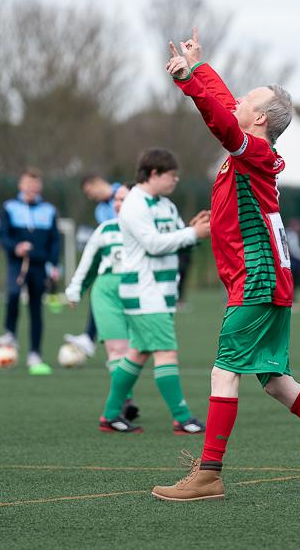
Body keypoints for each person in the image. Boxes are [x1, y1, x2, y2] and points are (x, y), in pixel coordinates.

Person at [151, 29, 300, 501]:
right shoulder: (252, 149)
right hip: (270, 278)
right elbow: (224, 107)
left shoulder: (251, 150)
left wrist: (189, 82)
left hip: (257, 278)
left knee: (223, 370)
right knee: (276, 380)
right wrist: (200, 69)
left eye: (247, 99)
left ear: (258, 118)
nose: (236, 99)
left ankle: (209, 474)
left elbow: (221, 119)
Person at [98, 149, 209, 434]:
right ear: (154, 174)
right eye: (171, 175)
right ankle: (183, 418)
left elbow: (173, 241)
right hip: (144, 292)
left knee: (138, 353)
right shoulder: (134, 203)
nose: (176, 180)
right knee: (166, 352)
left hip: (161, 292)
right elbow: (153, 244)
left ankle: (111, 415)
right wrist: (190, 234)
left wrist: (193, 233)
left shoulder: (166, 205)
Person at [65, 185, 139, 419]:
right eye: (116, 200)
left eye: (123, 199)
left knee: (136, 352)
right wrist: (75, 289)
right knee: (118, 350)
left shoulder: (147, 231)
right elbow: (88, 263)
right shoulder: (105, 230)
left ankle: (123, 399)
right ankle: (124, 401)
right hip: (107, 294)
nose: (117, 204)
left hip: (140, 294)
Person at [0, 169, 60, 375]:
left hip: (40, 266)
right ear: (21, 186)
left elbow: (55, 240)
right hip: (18, 263)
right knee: (13, 294)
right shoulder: (10, 208)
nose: (32, 189)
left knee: (35, 309)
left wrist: (54, 265)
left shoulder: (49, 210)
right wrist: (15, 247)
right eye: (28, 185)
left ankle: (35, 354)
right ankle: (11, 333)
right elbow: (2, 234)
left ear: (40, 187)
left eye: (35, 185)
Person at [68, 173, 123, 350]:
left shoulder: (125, 192)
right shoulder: (100, 210)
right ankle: (90, 337)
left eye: (90, 192)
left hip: (135, 259)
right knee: (101, 290)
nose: (90, 197)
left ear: (98, 182)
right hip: (115, 261)